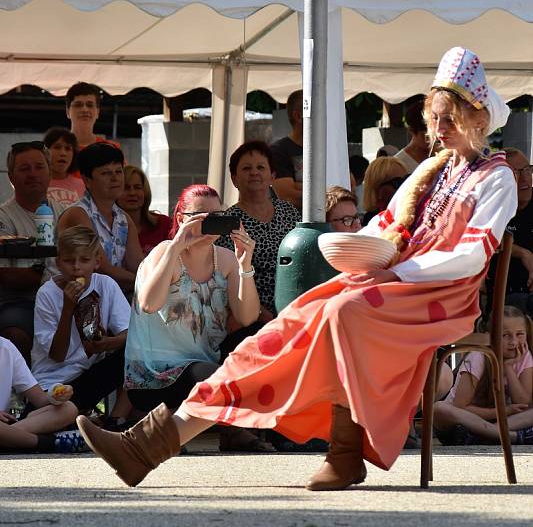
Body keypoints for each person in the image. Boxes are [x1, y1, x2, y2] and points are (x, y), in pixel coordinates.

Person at [76, 45, 517, 493]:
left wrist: (396, 274)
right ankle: (150, 445)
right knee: (283, 328)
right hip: (388, 285)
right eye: (435, 119)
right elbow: (384, 228)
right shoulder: (433, 171)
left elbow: (472, 255)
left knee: (341, 313)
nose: (439, 130)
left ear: (477, 118)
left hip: (441, 297)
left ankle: (345, 454)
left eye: (449, 119)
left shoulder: (496, 177)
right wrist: (348, 246)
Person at [122, 184, 273, 452]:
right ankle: (231, 430)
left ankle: (229, 429)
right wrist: (176, 246)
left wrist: (245, 264)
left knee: (260, 336)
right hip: (156, 374)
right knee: (215, 377)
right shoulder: (165, 252)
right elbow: (148, 304)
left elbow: (247, 317)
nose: (210, 224)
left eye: (218, 216)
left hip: (203, 362)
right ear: (181, 219)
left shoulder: (225, 260)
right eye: (201, 217)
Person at [31, 226, 131, 423]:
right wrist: (68, 308)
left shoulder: (106, 285)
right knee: (55, 412)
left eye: (84, 260)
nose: (76, 267)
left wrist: (109, 342)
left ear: (97, 262)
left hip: (88, 377)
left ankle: (116, 420)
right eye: (69, 261)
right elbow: (57, 355)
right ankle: (77, 419)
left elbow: (130, 333)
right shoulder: (47, 294)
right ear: (58, 263)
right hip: (52, 386)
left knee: (137, 352)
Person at [216, 141, 300, 320]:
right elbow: (227, 279)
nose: (254, 172)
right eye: (246, 168)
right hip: (250, 317)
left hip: (295, 309)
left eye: (261, 167)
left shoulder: (290, 212)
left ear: (272, 176)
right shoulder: (229, 221)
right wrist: (264, 316)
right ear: (234, 178)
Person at [0, 141, 68, 361]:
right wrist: (43, 273)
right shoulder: (4, 217)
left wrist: (37, 273)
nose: (33, 174)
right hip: (21, 303)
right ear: (11, 177)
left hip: (66, 298)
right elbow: (7, 276)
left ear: (50, 173)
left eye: (39, 167)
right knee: (15, 334)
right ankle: (22, 392)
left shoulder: (67, 213)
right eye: (24, 168)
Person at [434, 306, 533, 445]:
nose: (514, 342)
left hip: (503, 422)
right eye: (505, 335)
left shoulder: (524, 356)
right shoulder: (478, 357)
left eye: (520, 334)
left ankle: (491, 434)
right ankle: (509, 437)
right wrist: (502, 411)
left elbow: (523, 403)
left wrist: (509, 368)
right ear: (489, 337)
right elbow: (460, 407)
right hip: (465, 421)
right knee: (439, 408)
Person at [58, 143, 144, 292]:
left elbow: (139, 266)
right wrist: (146, 283)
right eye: (106, 173)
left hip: (111, 298)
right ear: (87, 180)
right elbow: (101, 268)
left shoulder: (124, 219)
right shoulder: (78, 214)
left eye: (118, 171)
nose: (115, 178)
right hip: (72, 299)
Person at [0, 335, 82, 453]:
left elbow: (40, 399)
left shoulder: (6, 347)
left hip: (5, 426)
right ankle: (49, 443)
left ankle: (10, 439)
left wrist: (57, 395)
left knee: (68, 409)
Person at [485, 148, 533, 317]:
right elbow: (484, 238)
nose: (525, 177)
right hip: (505, 299)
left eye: (528, 169)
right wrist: (522, 253)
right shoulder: (491, 207)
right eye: (517, 172)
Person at [117, 165, 171, 255]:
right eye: (126, 188)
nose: (132, 193)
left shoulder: (164, 225)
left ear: (145, 191)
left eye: (137, 187)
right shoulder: (108, 229)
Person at [270, 90, 303, 209]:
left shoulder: (331, 151)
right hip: (293, 226)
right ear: (299, 116)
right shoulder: (278, 151)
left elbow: (347, 189)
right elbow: (288, 197)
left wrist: (299, 186)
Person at [66, 82, 120, 152]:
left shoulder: (111, 149)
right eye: (78, 105)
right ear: (67, 112)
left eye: (90, 105)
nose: (84, 109)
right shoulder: (55, 148)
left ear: (97, 112)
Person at [361, 156, 409, 226]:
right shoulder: (373, 223)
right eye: (398, 182)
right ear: (378, 190)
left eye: (406, 180)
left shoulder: (408, 212)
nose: (403, 186)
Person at [44, 127, 85, 206]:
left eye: (68, 148)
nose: (63, 153)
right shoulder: (36, 184)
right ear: (45, 152)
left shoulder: (84, 187)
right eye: (57, 147)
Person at [395, 98, 430, 173]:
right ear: (411, 130)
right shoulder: (398, 164)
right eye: (425, 135)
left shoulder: (443, 156)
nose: (432, 139)